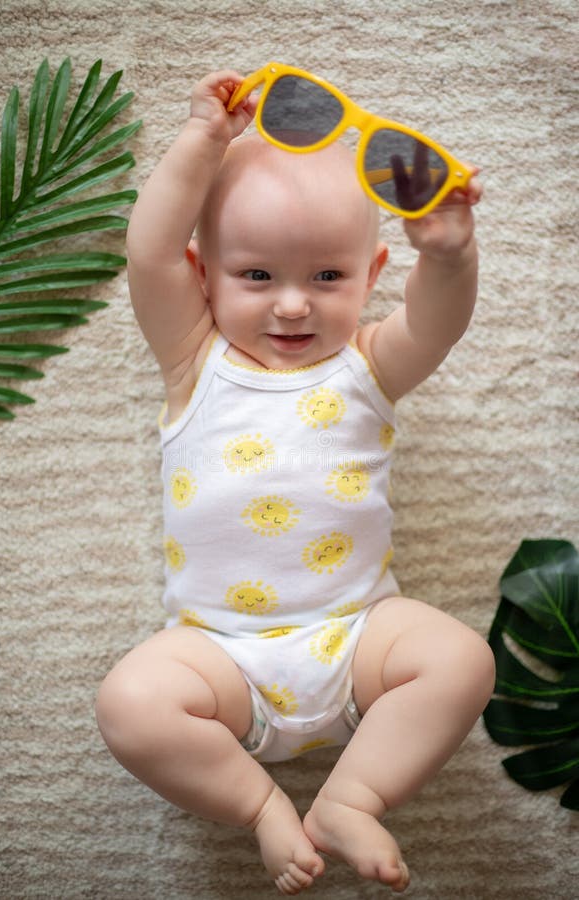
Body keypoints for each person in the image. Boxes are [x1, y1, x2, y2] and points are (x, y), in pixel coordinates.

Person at [96, 69, 496, 896]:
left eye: (326, 278)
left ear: (374, 270)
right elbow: (146, 251)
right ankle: (261, 807)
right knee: (131, 704)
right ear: (204, 272)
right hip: (221, 657)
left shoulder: (369, 365)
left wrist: (449, 252)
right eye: (255, 277)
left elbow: (436, 321)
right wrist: (203, 142)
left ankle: (352, 797)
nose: (290, 307)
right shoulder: (194, 361)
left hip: (359, 635)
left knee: (459, 659)